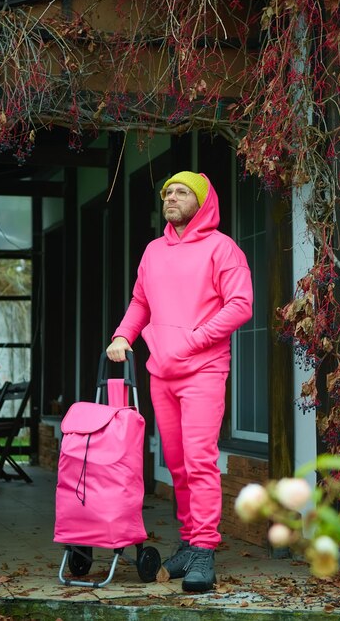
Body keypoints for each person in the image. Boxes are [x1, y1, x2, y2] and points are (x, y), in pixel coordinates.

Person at [106, 170, 253, 592]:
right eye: (167, 192)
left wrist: (194, 339)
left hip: (204, 371)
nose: (171, 197)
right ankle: (189, 542)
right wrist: (122, 335)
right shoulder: (154, 251)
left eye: (181, 192)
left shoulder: (222, 249)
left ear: (202, 201)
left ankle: (205, 550)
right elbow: (140, 301)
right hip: (161, 375)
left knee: (200, 460)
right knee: (176, 464)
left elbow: (241, 305)